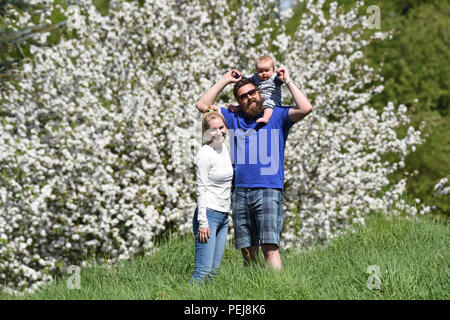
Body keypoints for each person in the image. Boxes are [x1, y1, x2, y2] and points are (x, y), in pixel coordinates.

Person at [195, 67, 312, 270]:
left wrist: (288, 81)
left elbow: (305, 108)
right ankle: (254, 289)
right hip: (240, 191)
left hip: (268, 188)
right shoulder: (233, 119)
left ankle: (279, 290)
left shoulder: (277, 115)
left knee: (270, 247)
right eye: (243, 97)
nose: (249, 98)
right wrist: (225, 80)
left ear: (260, 92)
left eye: (252, 93)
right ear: (239, 102)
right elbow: (202, 105)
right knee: (248, 251)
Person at [190, 106, 234, 284]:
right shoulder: (204, 154)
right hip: (208, 215)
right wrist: (203, 222)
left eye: (221, 127)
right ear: (206, 132)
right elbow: (200, 188)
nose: (218, 132)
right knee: (203, 271)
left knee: (214, 272)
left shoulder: (225, 149)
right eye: (213, 129)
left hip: (224, 216)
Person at [229, 55, 283, 125]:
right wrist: (239, 77)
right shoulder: (256, 78)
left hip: (272, 100)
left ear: (273, 69)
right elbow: (247, 80)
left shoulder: (274, 77)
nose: (264, 73)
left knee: (268, 105)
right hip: (260, 100)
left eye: (267, 71)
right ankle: (237, 108)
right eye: (260, 71)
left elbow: (280, 80)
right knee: (248, 102)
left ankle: (266, 118)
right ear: (257, 71)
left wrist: (282, 76)